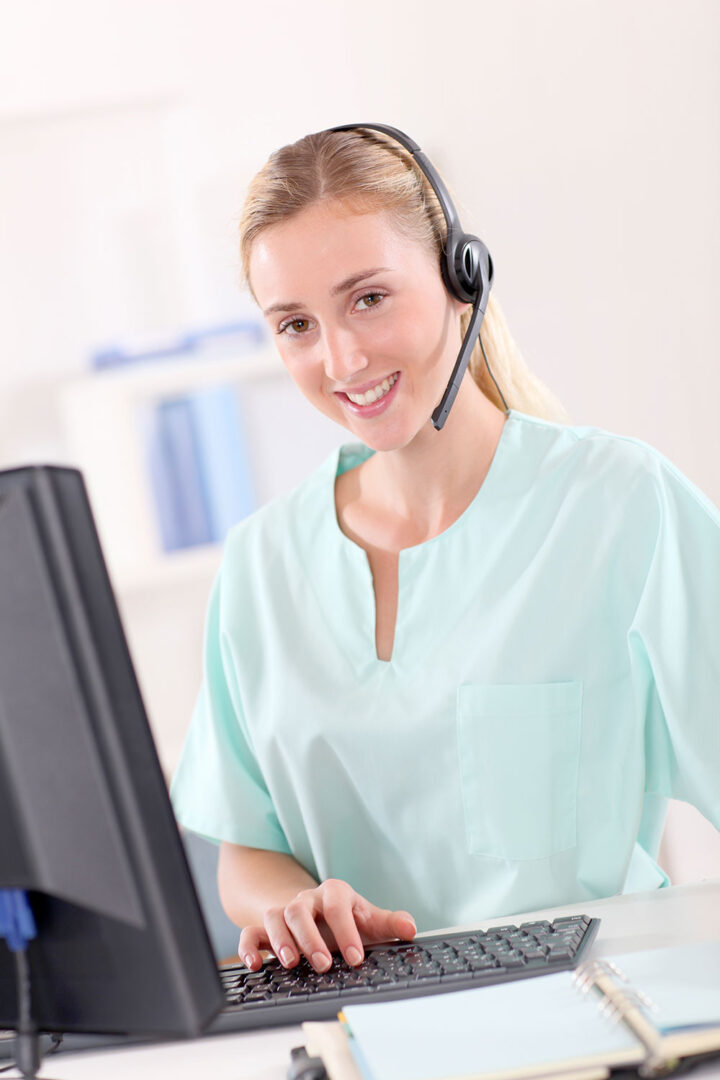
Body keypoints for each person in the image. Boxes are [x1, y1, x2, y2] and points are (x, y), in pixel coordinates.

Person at [170, 125, 720, 979]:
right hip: (362, 1030)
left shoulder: (618, 503)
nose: (341, 359)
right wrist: (294, 907)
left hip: (596, 1017)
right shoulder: (259, 566)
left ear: (462, 279)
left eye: (369, 299)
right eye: (295, 325)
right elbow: (246, 853)